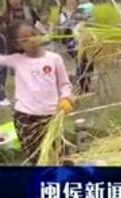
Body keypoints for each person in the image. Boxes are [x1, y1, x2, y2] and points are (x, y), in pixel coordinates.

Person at [0, 21, 73, 164]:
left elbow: (64, 84)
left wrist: (65, 97)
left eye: (34, 35)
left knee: (62, 155)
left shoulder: (54, 59)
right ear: (17, 45)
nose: (32, 40)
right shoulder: (17, 60)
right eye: (25, 39)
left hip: (51, 117)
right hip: (26, 117)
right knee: (36, 158)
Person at [0, 0, 40, 108]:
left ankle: (34, 93)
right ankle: (3, 96)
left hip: (30, 45)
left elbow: (37, 23)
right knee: (13, 72)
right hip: (13, 47)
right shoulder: (5, 15)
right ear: (8, 1)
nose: (15, 0)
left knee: (33, 70)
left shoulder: (29, 11)